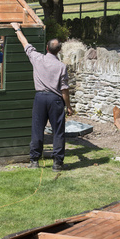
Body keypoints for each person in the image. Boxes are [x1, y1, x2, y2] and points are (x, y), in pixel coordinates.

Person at [11, 22, 73, 171]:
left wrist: (17, 28)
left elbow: (25, 43)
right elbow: (64, 90)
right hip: (55, 100)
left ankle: (34, 161)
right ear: (59, 51)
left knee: (37, 129)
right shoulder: (61, 67)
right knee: (58, 131)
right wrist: (69, 106)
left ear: (47, 48)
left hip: (40, 98)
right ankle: (57, 163)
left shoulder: (37, 58)